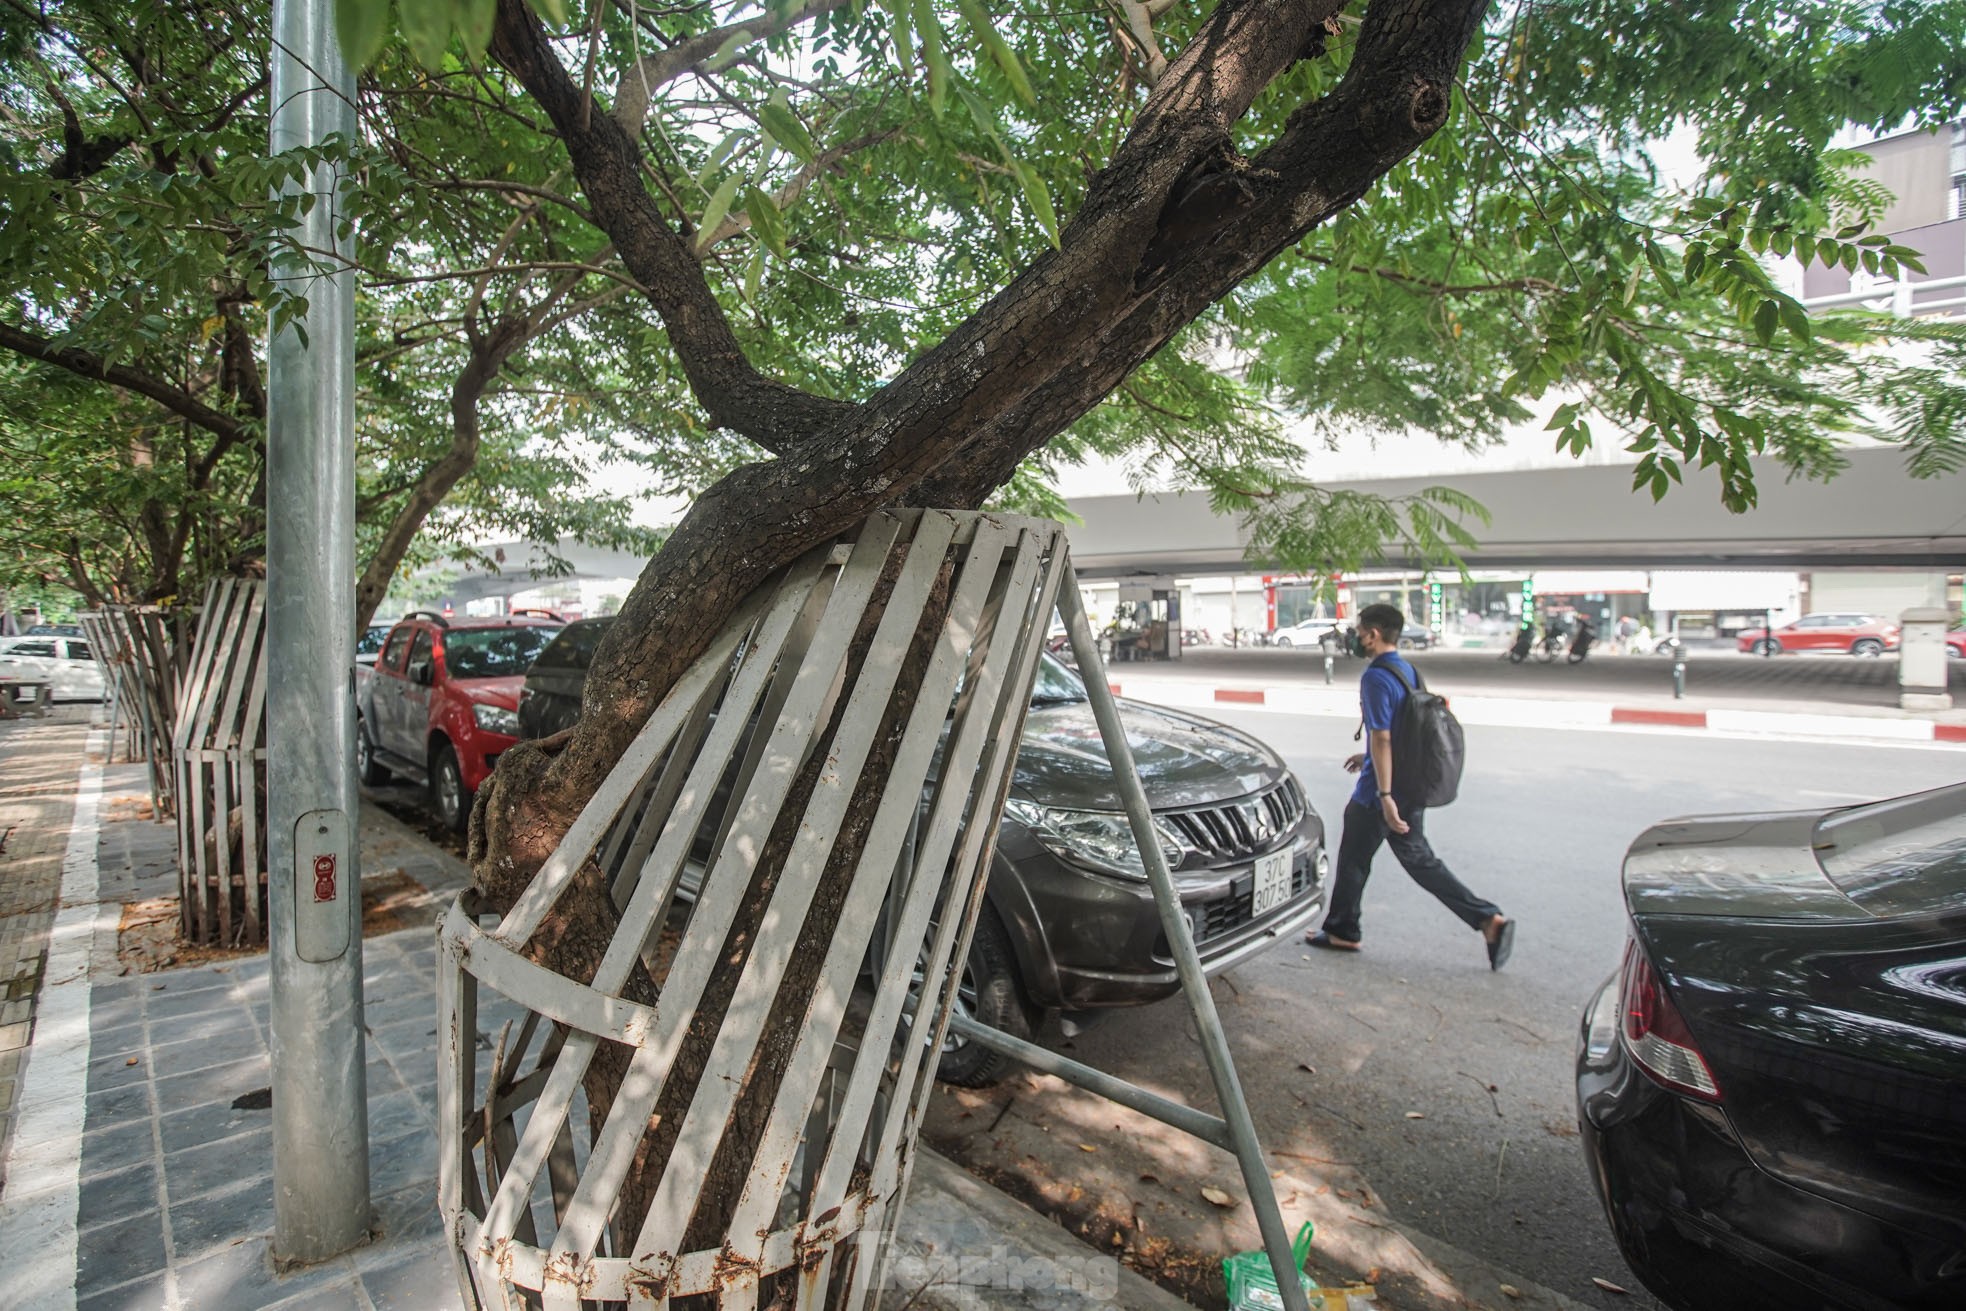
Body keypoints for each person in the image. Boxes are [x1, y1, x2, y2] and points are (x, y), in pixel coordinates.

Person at [1306, 603, 1516, 969]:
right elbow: (1404, 732)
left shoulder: (1375, 677)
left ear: (1373, 634)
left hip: (1380, 795)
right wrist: (1366, 754)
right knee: (1420, 862)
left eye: (1359, 632)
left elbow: (1385, 738)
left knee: (1356, 860)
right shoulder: (1408, 671)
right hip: (1409, 784)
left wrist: (1385, 796)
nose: (1355, 639)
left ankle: (1343, 930)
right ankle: (1486, 920)